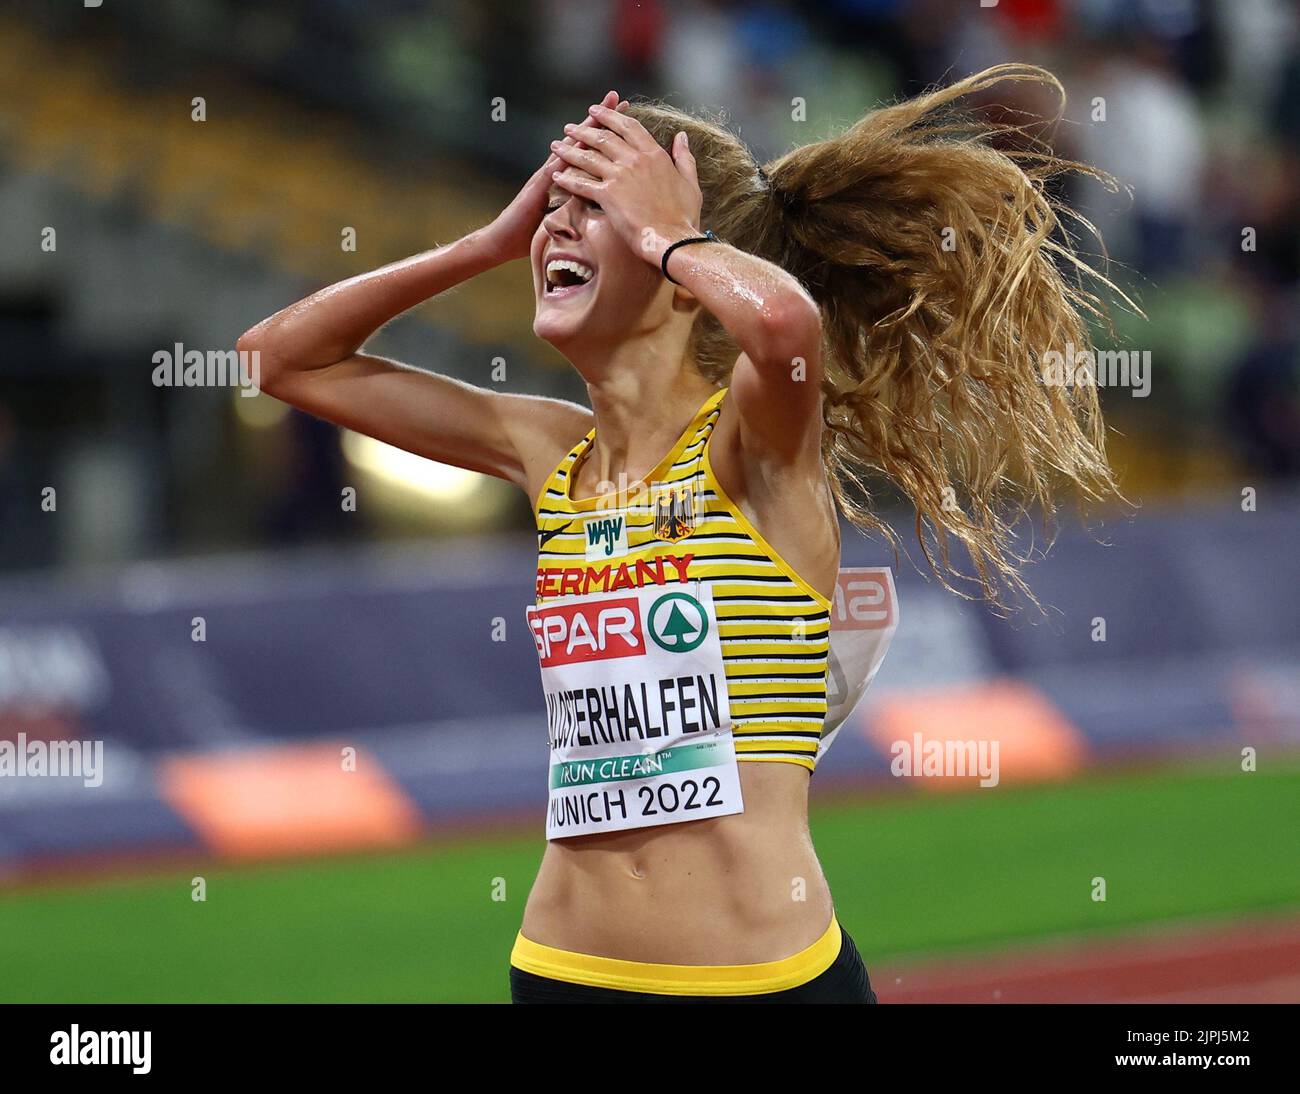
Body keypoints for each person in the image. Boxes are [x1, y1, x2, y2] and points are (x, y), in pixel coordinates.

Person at [238, 65, 1124, 1003]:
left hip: (761, 983)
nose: (555, 232)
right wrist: (486, 242)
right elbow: (276, 359)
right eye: (554, 207)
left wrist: (666, 231)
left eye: (593, 208)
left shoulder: (754, 444)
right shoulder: (547, 450)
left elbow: (785, 327)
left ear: (684, 269)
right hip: (564, 973)